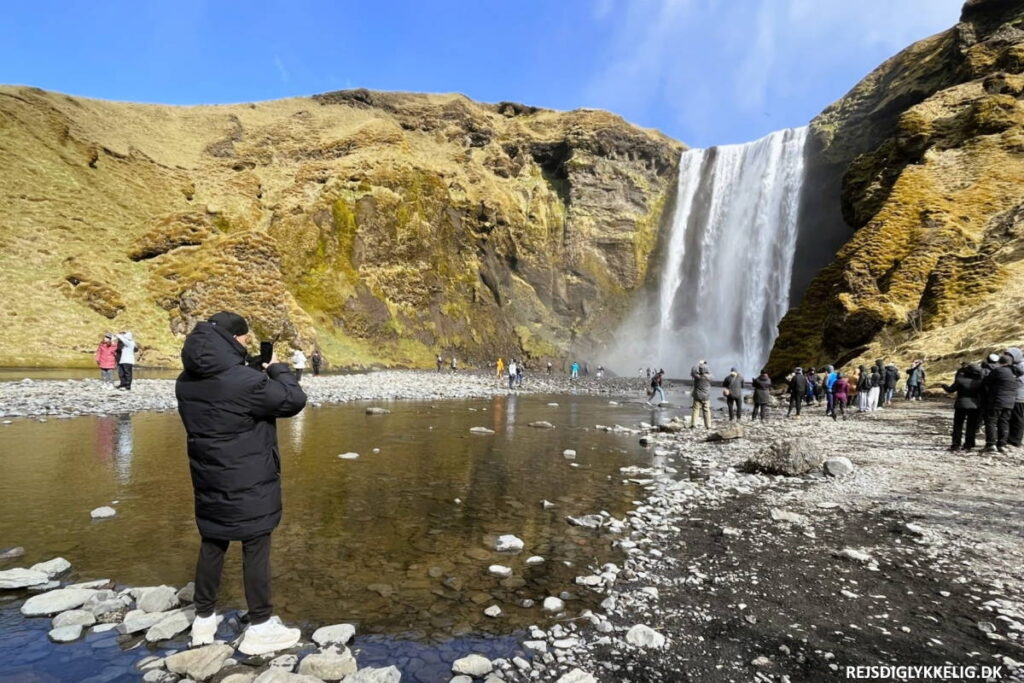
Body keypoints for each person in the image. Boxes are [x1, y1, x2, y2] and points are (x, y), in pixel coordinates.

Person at [175, 311, 306, 654]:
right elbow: (293, 401)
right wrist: (277, 369)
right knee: (255, 545)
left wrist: (249, 370)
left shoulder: (185, 380)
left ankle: (203, 619)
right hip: (249, 478)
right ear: (233, 340)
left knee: (213, 542)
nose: (248, 344)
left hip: (208, 475)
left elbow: (226, 397)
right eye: (246, 340)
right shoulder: (246, 383)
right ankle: (261, 625)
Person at [942, 362, 984, 451]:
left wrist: (944, 385)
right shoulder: (980, 382)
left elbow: (950, 390)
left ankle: (956, 444)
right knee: (971, 426)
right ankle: (969, 444)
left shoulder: (960, 380)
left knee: (958, 425)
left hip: (961, 404)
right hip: (974, 405)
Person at [982, 353, 1017, 453]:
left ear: (1000, 362)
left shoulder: (998, 371)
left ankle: (991, 444)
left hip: (997, 400)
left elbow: (986, 382)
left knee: (991, 421)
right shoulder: (1014, 372)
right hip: (1010, 401)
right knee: (1004, 422)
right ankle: (1002, 444)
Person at [1006, 347, 1024, 448]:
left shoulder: (1022, 366)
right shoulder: (1016, 365)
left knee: (1018, 419)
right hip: (1015, 395)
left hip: (1020, 396)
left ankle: (1016, 440)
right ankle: (1011, 438)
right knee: (1013, 419)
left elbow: (1020, 382)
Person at [690, 363, 712, 429]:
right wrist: (705, 366)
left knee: (695, 410)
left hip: (697, 396)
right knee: (706, 410)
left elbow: (692, 371)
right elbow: (710, 372)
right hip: (706, 396)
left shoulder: (697, 377)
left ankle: (693, 424)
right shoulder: (709, 377)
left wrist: (698, 364)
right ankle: (708, 425)